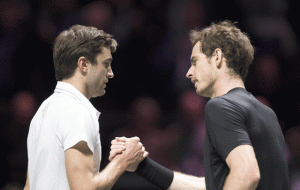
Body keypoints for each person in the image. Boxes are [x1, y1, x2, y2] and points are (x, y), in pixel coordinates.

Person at [110, 20, 290, 190]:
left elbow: (247, 175)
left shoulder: (220, 106)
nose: (189, 73)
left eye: (195, 62)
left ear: (217, 57)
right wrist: (143, 165)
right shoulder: (265, 112)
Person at [24, 24, 148, 190]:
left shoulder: (43, 110)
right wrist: (123, 160)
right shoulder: (77, 111)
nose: (111, 73)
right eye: (106, 64)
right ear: (83, 64)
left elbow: (28, 187)